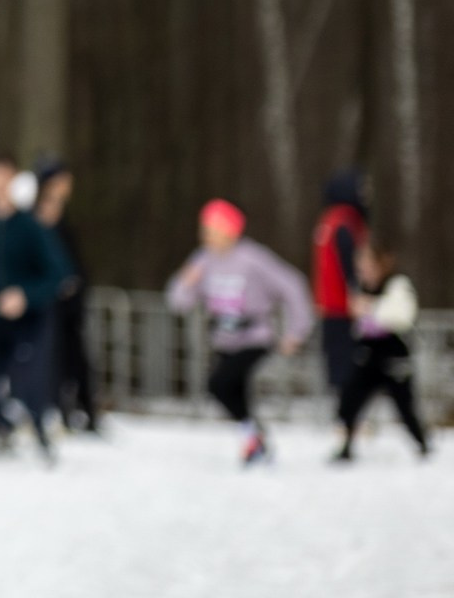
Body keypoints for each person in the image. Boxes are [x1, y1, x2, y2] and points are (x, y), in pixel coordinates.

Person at [168, 199, 314, 466]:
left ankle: (254, 438)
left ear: (230, 230)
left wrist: (297, 330)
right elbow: (179, 303)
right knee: (235, 393)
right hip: (223, 339)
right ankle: (255, 444)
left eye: (211, 228)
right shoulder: (202, 260)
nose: (205, 235)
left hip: (255, 337)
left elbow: (293, 285)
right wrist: (185, 282)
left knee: (219, 384)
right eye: (204, 229)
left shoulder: (253, 258)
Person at [0, 153, 70, 462]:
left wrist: (24, 296)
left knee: (28, 381)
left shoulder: (30, 225)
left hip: (29, 319)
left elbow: (60, 274)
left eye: (4, 179)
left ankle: (41, 433)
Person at [333, 241, 431, 464]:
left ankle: (422, 444)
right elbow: (359, 322)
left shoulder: (397, 285)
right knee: (350, 398)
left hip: (393, 354)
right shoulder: (361, 287)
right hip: (368, 352)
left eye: (366, 263)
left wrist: (371, 307)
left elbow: (402, 316)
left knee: (404, 404)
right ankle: (346, 446)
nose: (362, 269)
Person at [36, 158, 100, 434]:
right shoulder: (42, 218)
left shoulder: (63, 217)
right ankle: (62, 409)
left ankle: (82, 410)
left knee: (75, 360)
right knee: (57, 359)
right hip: (54, 304)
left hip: (71, 304)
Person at [314, 169, 373, 438]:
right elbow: (347, 261)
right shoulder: (345, 222)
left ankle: (346, 419)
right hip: (343, 308)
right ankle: (348, 421)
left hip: (329, 306)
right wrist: (355, 295)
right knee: (349, 367)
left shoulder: (327, 221)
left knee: (339, 365)